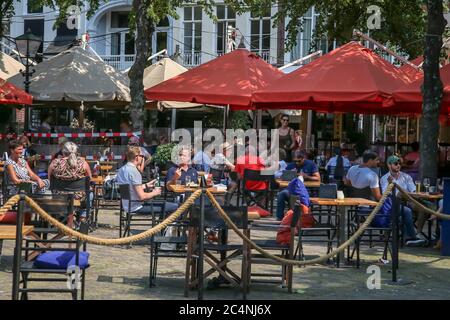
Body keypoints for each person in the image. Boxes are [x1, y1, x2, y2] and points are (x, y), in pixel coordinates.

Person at [379, 155, 427, 246]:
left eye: (399, 164)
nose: (398, 165)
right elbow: (386, 194)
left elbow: (413, 190)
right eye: (395, 164)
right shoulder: (385, 178)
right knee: (407, 211)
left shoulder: (406, 176)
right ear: (389, 165)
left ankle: (418, 233)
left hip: (408, 201)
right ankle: (411, 237)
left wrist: (411, 196)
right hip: (393, 204)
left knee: (423, 208)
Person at [116, 146, 177, 214]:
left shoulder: (121, 170)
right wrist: (155, 192)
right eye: (142, 156)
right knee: (175, 206)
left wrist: (146, 185)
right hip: (137, 206)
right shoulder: (134, 172)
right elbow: (142, 196)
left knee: (165, 204)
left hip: (127, 205)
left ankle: (162, 224)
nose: (143, 158)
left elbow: (130, 188)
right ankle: (165, 224)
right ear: (137, 157)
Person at [48, 142, 92, 221]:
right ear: (76, 152)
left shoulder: (54, 163)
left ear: (63, 152)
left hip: (59, 196)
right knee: (90, 194)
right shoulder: (83, 163)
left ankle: (62, 216)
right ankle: (83, 218)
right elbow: (89, 179)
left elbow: (49, 179)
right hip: (78, 197)